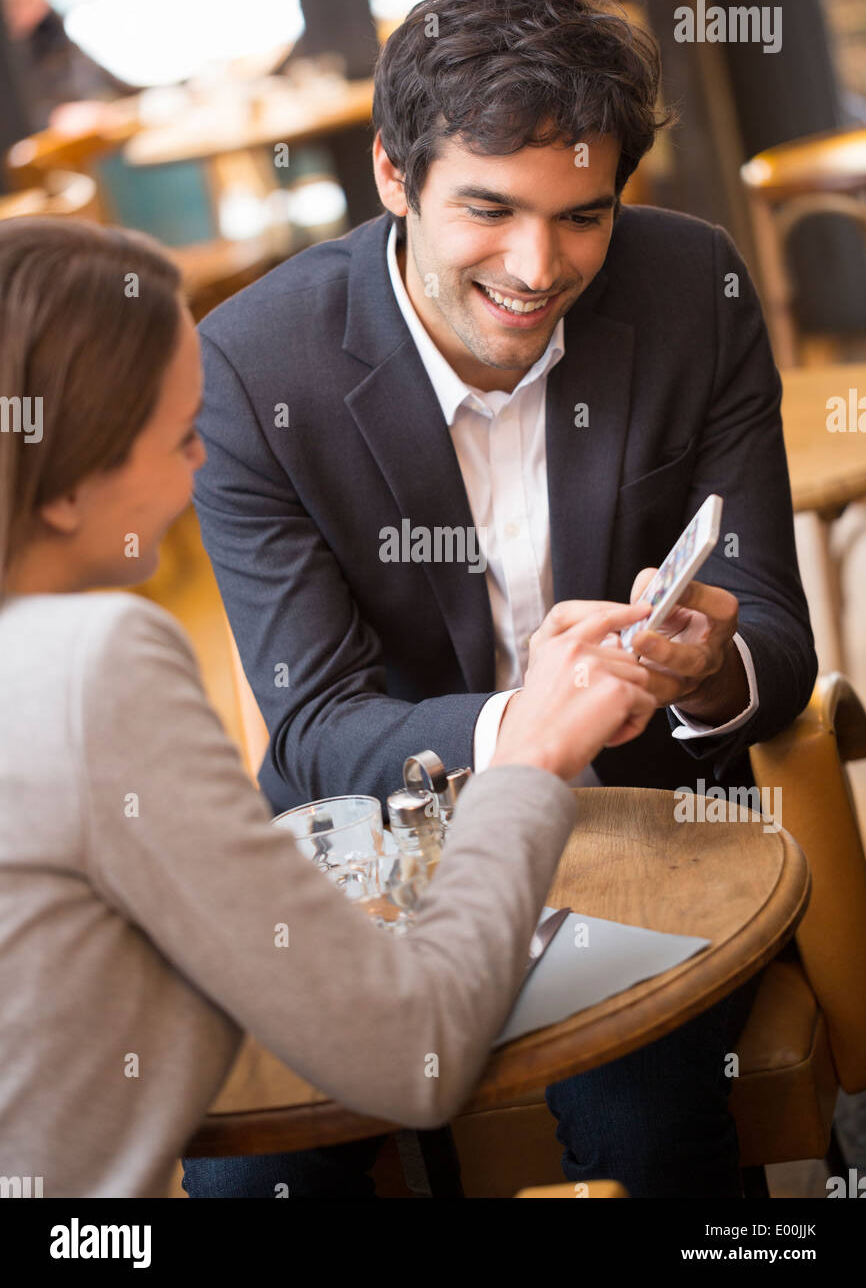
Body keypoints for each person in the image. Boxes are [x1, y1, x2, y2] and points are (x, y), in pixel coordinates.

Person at [189, 0, 817, 1197]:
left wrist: (706, 667)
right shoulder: (255, 367)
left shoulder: (692, 289)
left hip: (646, 844)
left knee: (649, 1136)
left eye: (582, 215)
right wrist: (527, 729)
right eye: (488, 210)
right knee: (249, 1185)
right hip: (380, 864)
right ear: (390, 177)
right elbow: (313, 724)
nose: (537, 266)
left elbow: (776, 642)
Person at [0, 214, 658, 1198]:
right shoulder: (91, 665)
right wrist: (526, 760)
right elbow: (414, 1053)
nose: (203, 468)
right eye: (181, 435)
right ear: (66, 484)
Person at [0, 0, 139, 134]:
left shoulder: (49, 32)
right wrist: (52, 118)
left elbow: (114, 85)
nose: (32, 10)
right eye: (15, 0)